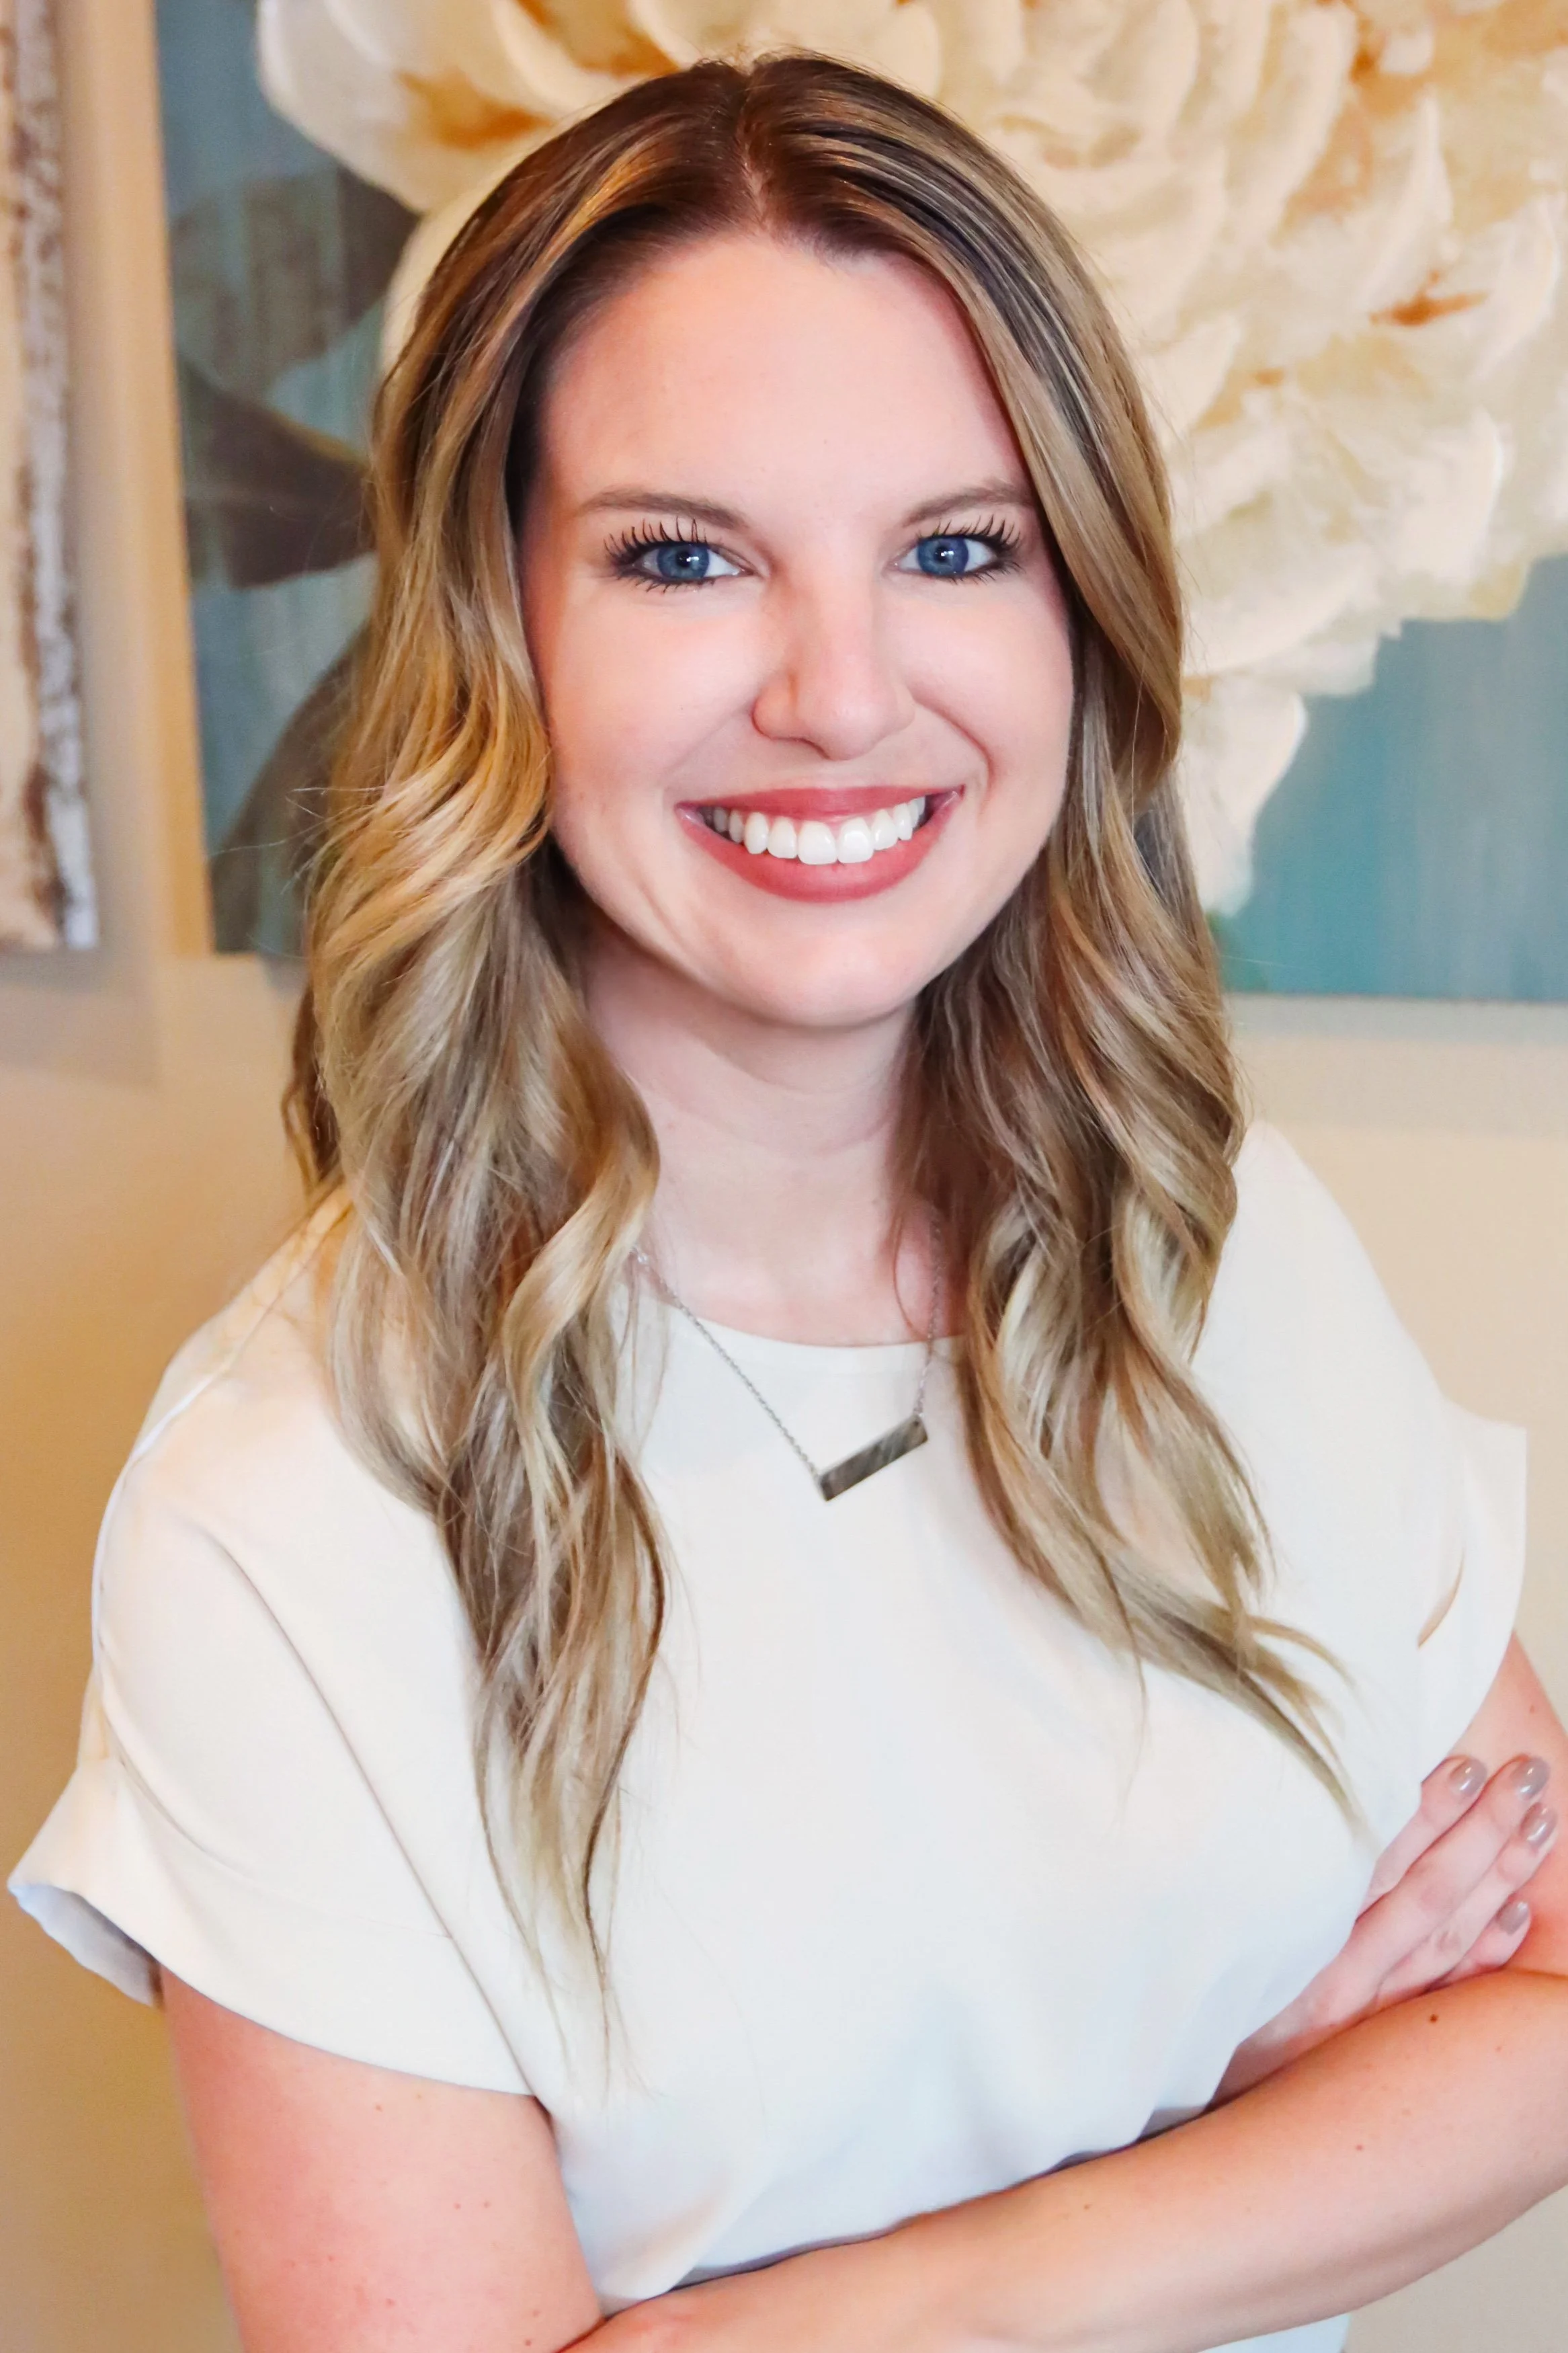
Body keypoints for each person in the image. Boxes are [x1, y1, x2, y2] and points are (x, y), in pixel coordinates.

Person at [11, 50, 1568, 2353]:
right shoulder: (291, 1515)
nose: (840, 695)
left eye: (955, 548)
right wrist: (1242, 2128)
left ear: (1076, 611)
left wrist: (862, 2299)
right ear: (499, 628)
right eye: (682, 556)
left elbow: (1537, 1996)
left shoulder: (1210, 1236)